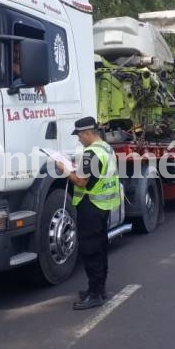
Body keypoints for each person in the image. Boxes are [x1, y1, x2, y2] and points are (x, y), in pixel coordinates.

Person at [55, 116, 121, 310]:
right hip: (104, 205)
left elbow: (81, 182)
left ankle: (94, 294)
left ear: (87, 133)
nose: (78, 139)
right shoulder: (105, 148)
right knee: (100, 247)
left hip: (91, 206)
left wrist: (65, 170)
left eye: (79, 135)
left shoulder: (90, 153)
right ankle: (99, 289)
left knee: (91, 250)